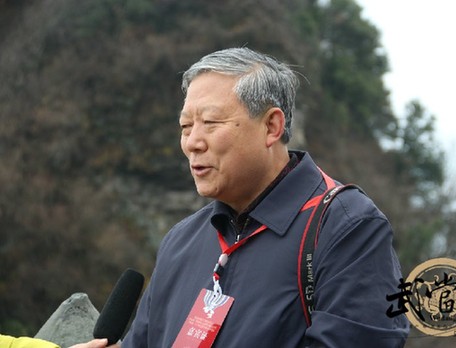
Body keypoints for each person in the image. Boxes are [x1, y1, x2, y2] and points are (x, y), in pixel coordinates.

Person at [75, 47, 409, 347]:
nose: (193, 142)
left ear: (271, 127)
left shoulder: (347, 227)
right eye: (185, 127)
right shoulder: (181, 241)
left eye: (210, 122)